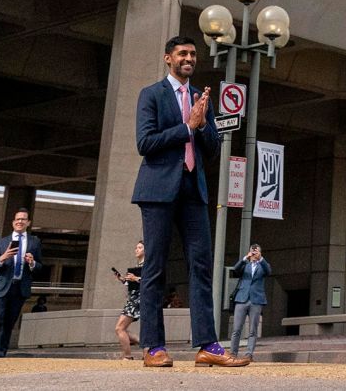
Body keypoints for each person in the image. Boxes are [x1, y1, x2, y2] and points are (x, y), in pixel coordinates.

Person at [131, 36, 246, 368]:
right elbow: (145, 142)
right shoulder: (151, 95)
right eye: (182, 53)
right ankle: (153, 347)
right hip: (157, 190)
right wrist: (187, 126)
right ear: (168, 58)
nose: (188, 58)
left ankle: (208, 345)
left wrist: (205, 120)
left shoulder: (199, 97)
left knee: (201, 266)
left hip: (193, 190)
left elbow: (210, 147)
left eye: (193, 54)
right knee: (155, 268)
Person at [0, 209, 40, 357]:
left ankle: (0, 355)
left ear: (28, 223)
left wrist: (32, 262)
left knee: (9, 323)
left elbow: (40, 266)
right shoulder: (2, 242)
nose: (20, 221)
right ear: (13, 222)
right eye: (17, 219)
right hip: (1, 286)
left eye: (23, 219)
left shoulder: (34, 242)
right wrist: (2, 258)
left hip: (20, 288)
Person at [228, 244, 271, 361]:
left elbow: (268, 271)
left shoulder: (263, 266)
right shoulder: (245, 265)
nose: (254, 254)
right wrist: (245, 258)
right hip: (242, 299)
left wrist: (260, 258)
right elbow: (235, 269)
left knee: (253, 330)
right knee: (236, 329)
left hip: (256, 300)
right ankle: (233, 353)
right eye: (252, 252)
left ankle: (249, 354)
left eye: (256, 252)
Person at [114, 241, 144, 359]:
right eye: (136, 247)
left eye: (140, 247)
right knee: (121, 328)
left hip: (137, 300)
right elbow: (132, 284)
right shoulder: (139, 266)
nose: (136, 250)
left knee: (119, 328)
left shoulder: (147, 265)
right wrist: (122, 279)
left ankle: (127, 356)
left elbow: (149, 281)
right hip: (133, 299)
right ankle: (146, 345)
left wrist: (135, 278)